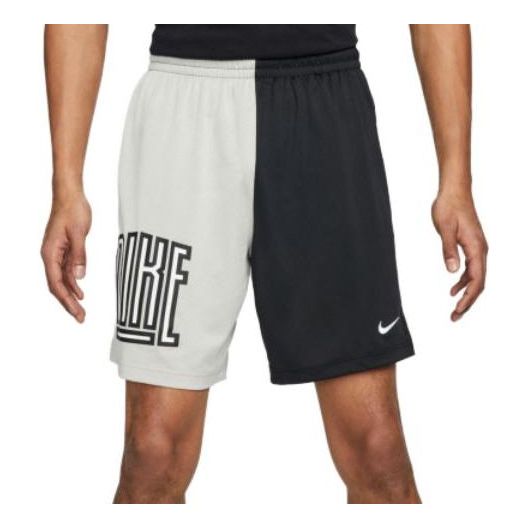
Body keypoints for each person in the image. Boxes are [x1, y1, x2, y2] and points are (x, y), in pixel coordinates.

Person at [41, 24, 487, 504]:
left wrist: (456, 180)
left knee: (377, 452)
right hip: (182, 111)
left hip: (324, 111)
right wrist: (66, 184)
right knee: (152, 454)